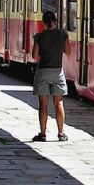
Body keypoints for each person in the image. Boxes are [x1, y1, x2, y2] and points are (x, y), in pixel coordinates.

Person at [31, 10, 71, 142]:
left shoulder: (39, 36)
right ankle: (61, 133)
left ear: (44, 23)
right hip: (57, 71)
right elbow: (68, 52)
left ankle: (42, 134)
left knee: (43, 104)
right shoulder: (63, 34)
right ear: (55, 20)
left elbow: (34, 56)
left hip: (42, 71)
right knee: (58, 103)